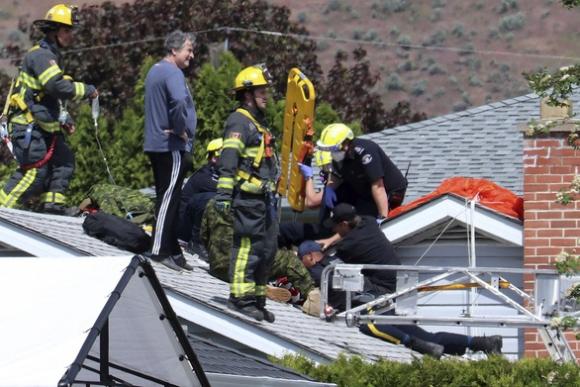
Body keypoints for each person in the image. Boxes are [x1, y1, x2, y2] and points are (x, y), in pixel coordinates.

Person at [321, 203, 503, 358]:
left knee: (370, 327)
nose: (334, 230)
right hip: (399, 287)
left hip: (382, 295)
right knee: (427, 337)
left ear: (344, 224)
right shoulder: (368, 222)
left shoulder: (348, 247)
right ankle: (482, 343)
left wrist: (323, 245)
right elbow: (348, 231)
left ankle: (419, 345)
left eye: (335, 227)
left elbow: (335, 251)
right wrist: (332, 239)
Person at [0, 4, 98, 214]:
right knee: (34, 174)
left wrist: (64, 117)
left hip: (43, 129)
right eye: (67, 30)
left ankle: (53, 207)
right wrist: (87, 90)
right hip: (29, 128)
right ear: (54, 31)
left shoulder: (51, 56)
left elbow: (46, 95)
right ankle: (2, 210)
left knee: (64, 162)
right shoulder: (41, 56)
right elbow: (57, 86)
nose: (71, 35)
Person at [214, 64, 280, 322]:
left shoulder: (258, 123)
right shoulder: (239, 121)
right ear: (248, 94)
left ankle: (257, 299)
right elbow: (229, 159)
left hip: (264, 199)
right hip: (247, 198)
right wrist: (223, 195)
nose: (266, 95)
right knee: (246, 248)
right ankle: (240, 298)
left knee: (266, 250)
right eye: (262, 91)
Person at [144, 30, 196, 271]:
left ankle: (173, 250)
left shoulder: (155, 71)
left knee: (169, 198)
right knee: (168, 198)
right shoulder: (173, 72)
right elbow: (177, 102)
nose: (191, 56)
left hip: (155, 144)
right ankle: (159, 251)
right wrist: (180, 129)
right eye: (188, 50)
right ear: (174, 50)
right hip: (171, 145)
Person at [200, 198, 315, 303]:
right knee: (289, 260)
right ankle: (314, 299)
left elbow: (203, 236)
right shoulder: (255, 206)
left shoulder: (213, 202)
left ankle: (255, 287)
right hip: (241, 270)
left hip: (218, 268)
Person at [316, 123, 408, 221]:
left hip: (389, 192)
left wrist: (383, 218)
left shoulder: (366, 151)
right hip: (365, 192)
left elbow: (378, 187)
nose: (332, 153)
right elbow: (335, 175)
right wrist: (329, 189)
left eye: (334, 149)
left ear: (347, 143)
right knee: (335, 197)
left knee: (365, 223)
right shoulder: (339, 156)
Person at [177, 137, 222, 259]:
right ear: (214, 157)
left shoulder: (218, 174)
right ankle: (195, 243)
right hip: (184, 229)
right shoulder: (204, 176)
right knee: (214, 199)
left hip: (192, 223)